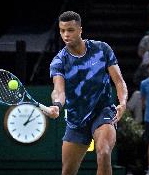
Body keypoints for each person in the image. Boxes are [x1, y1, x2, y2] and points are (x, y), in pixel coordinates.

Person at [49, 11, 128, 175]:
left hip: (103, 111)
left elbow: (119, 81)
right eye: (62, 30)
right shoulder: (59, 61)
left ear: (80, 30)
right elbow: (59, 90)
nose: (66, 35)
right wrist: (57, 105)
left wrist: (123, 102)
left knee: (104, 153)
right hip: (76, 119)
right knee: (68, 172)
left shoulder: (101, 49)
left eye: (70, 30)